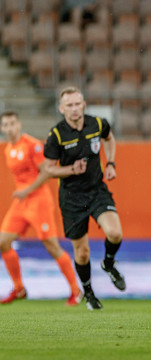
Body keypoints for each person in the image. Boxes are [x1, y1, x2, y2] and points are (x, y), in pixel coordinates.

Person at [43, 87, 126, 311]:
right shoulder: (57, 135)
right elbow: (48, 169)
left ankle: (108, 264)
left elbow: (109, 138)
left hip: (96, 189)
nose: (74, 109)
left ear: (84, 104)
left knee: (115, 233)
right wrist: (71, 169)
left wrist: (110, 163)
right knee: (82, 252)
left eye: (77, 104)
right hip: (71, 197)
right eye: (69, 105)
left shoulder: (97, 124)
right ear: (61, 109)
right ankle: (88, 292)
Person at [0, 111, 82, 306]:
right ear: (2, 128)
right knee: (3, 242)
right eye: (5, 125)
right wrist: (23, 192)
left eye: (12, 123)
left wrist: (26, 190)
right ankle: (19, 288)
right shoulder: (8, 150)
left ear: (19, 125)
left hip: (38, 201)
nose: (9, 128)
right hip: (21, 202)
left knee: (51, 246)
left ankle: (76, 290)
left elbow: (47, 172)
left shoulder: (33, 145)